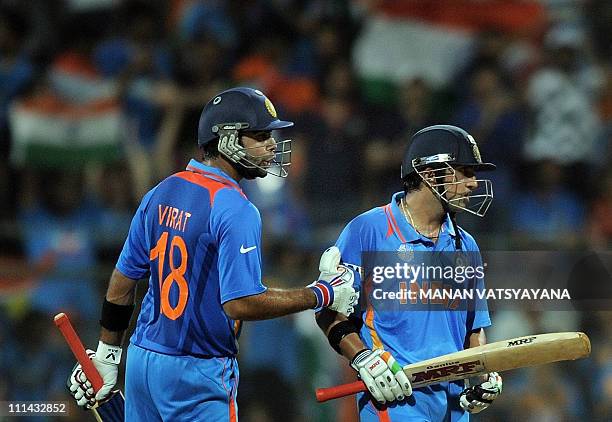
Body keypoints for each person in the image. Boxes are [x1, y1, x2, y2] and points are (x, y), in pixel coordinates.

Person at [66, 87, 358, 421]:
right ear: (228, 139)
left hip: (142, 361)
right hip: (197, 372)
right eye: (261, 135)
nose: (272, 145)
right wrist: (321, 293)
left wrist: (106, 356)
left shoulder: (161, 190)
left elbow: (122, 281)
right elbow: (240, 303)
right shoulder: (236, 208)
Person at [316, 125, 503, 421]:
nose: (474, 183)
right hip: (396, 397)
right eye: (464, 171)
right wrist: (363, 358)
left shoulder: (466, 244)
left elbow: (474, 329)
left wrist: (482, 373)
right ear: (429, 174)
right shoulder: (368, 230)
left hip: (455, 406)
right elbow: (328, 312)